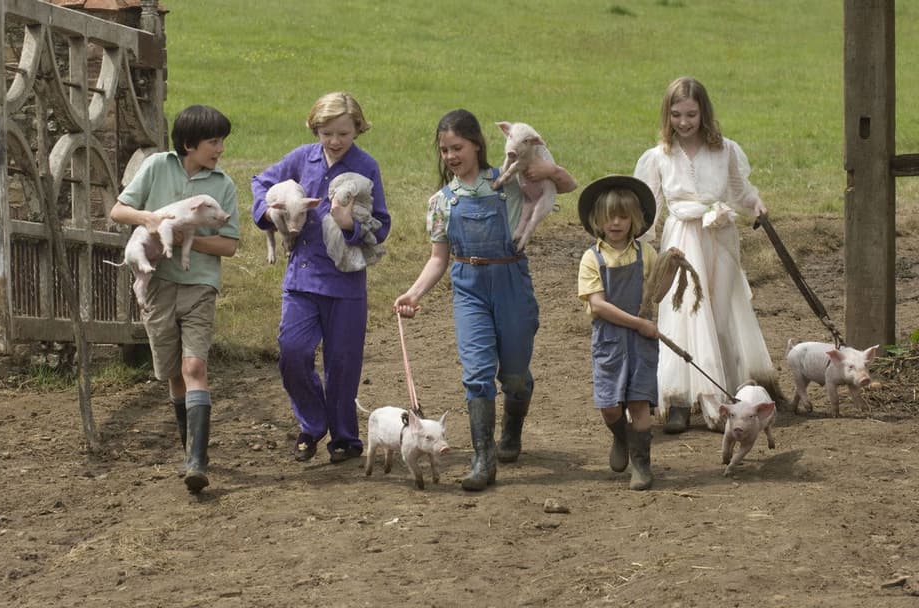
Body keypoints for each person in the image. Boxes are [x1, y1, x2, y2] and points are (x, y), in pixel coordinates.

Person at [393, 109, 576, 491]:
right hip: (468, 286)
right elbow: (438, 258)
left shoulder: (509, 181)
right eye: (444, 150)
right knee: (476, 375)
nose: (450, 156)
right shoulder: (441, 201)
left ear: (477, 144)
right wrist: (413, 292)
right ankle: (483, 458)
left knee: (513, 374)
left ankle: (511, 431)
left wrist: (550, 171)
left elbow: (567, 185)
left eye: (457, 147)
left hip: (511, 280)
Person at [251, 92, 391, 465]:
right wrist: (268, 212)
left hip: (346, 284)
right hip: (301, 279)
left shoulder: (367, 166)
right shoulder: (300, 158)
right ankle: (312, 425)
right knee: (293, 353)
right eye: (326, 133)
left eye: (343, 133)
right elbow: (260, 183)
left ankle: (345, 437)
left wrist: (351, 225)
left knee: (343, 364)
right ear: (315, 128)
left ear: (358, 129)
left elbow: (382, 225)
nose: (334, 141)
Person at [634, 76, 778, 434]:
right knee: (683, 312)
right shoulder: (659, 157)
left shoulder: (724, 149)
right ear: (667, 115)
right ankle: (680, 397)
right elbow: (649, 204)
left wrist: (755, 204)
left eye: (691, 115)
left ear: (704, 113)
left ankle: (720, 395)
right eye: (677, 114)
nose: (684, 122)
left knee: (718, 312)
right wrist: (640, 239)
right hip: (683, 238)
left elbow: (737, 189)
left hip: (719, 236)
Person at [110, 105, 240, 493]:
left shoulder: (223, 185)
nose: (219, 149)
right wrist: (149, 220)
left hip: (200, 284)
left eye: (221, 142)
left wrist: (191, 241)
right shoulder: (157, 168)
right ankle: (189, 448)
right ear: (189, 144)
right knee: (172, 374)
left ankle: (198, 461)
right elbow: (118, 210)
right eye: (213, 142)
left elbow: (230, 246)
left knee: (195, 366)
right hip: (158, 285)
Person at [576, 175, 663, 490]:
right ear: (597, 219)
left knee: (639, 403)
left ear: (635, 220)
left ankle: (641, 465)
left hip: (641, 344)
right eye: (609, 216)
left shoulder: (646, 254)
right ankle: (621, 438)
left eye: (623, 216)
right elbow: (598, 306)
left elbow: (656, 294)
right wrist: (638, 323)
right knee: (610, 406)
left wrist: (672, 268)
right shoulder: (591, 258)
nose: (615, 222)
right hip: (610, 342)